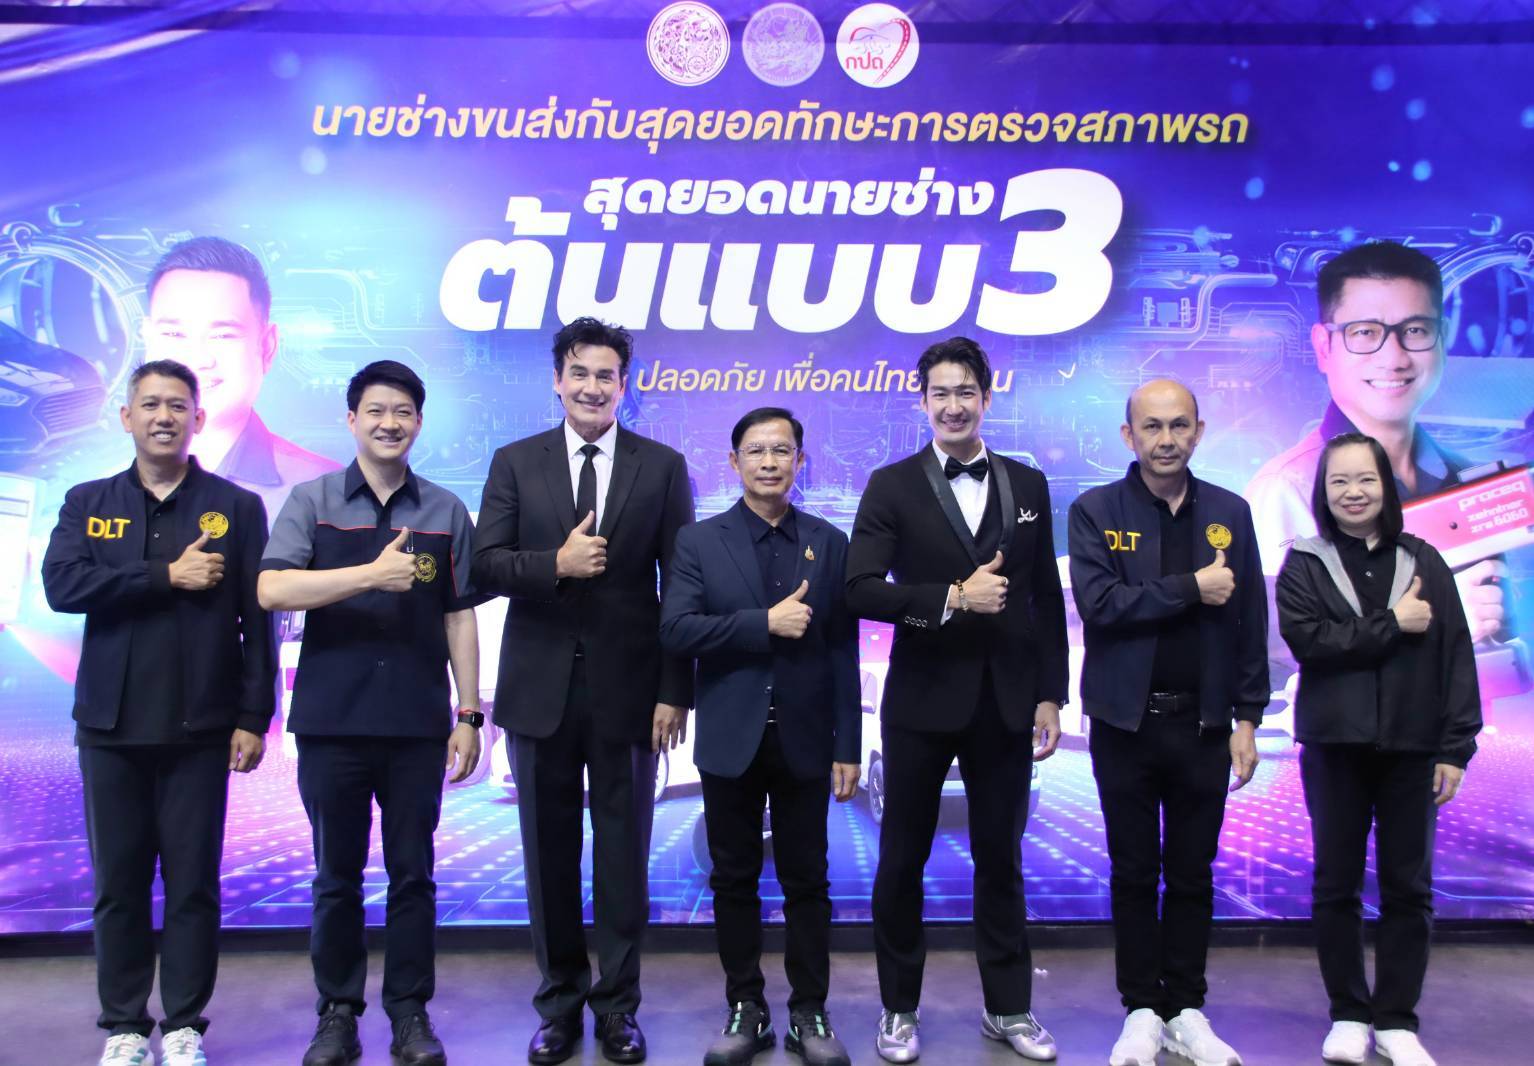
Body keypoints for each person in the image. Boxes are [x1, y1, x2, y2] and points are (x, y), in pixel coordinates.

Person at [471, 317, 694, 1066]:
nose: (592, 387)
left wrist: (675, 690)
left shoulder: (661, 466)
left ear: (624, 386)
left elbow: (681, 587)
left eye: (606, 376)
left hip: (630, 694)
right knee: (549, 856)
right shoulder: (515, 462)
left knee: (624, 858)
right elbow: (484, 566)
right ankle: (559, 1005)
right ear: (557, 381)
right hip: (538, 692)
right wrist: (555, 564)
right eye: (580, 373)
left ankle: (619, 1008)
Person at [41, 358, 275, 1066]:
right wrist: (163, 575)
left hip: (201, 728)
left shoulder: (236, 507)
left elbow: (258, 622)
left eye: (177, 405)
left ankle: (183, 1026)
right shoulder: (88, 501)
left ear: (198, 418)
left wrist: (253, 716)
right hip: (109, 727)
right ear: (127, 417)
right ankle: (122, 1026)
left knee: (192, 885)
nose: (164, 416)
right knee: (117, 885)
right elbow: (62, 586)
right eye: (150, 404)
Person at [845, 337, 1068, 1064]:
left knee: (1000, 858)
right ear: (922, 401)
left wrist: (1050, 695)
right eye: (939, 393)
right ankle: (897, 1010)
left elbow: (1043, 596)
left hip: (1006, 701)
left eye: (965, 392)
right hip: (921, 700)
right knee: (901, 858)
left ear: (987, 398)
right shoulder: (890, 485)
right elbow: (859, 589)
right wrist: (949, 597)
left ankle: (1008, 1008)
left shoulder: (1027, 484)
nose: (953, 406)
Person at [257, 360, 482, 1066]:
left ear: (419, 423)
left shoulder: (445, 510)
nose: (390, 423)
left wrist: (469, 714)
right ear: (351, 419)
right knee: (337, 877)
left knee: (414, 875)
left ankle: (410, 1013)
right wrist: (369, 576)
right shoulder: (312, 500)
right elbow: (272, 589)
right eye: (377, 411)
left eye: (404, 412)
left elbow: (459, 616)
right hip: (332, 723)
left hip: (418, 724)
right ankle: (337, 1013)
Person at [1067, 380, 1269, 1066]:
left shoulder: (1231, 512)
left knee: (1191, 872)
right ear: (1129, 436)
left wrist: (1248, 717)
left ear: (1199, 432)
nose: (1166, 439)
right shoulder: (1096, 511)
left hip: (1204, 726)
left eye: (1179, 425)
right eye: (1152, 427)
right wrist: (1191, 587)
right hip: (1124, 724)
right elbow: (1100, 604)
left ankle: (1185, 1008)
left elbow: (1250, 623)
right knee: (1132, 871)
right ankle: (1140, 1011)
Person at [659, 408, 860, 1066]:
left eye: (782, 450)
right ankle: (745, 1006)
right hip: (730, 736)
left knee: (809, 881)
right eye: (756, 450)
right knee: (733, 879)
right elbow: (676, 630)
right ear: (733, 462)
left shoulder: (829, 542)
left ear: (801, 460)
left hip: (806, 739)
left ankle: (809, 1011)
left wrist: (848, 744)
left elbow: (842, 650)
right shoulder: (698, 541)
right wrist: (761, 624)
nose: (769, 462)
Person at [1275, 433, 1480, 1066]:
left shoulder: (1423, 561)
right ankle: (1347, 1014)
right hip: (1334, 748)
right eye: (1339, 481)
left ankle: (1395, 1021)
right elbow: (1311, 643)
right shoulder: (1304, 563)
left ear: (1385, 486)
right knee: (1335, 884)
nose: (1353, 492)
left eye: (1365, 479)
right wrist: (1393, 624)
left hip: (1412, 749)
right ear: (1323, 491)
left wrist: (1455, 748)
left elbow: (1455, 656)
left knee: (1408, 887)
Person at [1246, 240, 1506, 642]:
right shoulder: (1288, 489)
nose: (1394, 358)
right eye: (1365, 332)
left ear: (1442, 339)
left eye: (1415, 330)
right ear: (1323, 347)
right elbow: (1278, 661)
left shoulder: (1469, 478)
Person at [143, 236, 339, 519]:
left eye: (222, 335)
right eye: (174, 334)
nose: (197, 359)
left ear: (267, 347)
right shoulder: (99, 494)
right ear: (148, 340)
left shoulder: (326, 495)